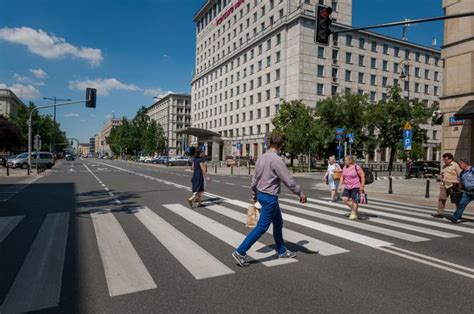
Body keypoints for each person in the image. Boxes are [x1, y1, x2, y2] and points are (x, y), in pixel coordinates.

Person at [232, 132, 307, 267]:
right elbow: (288, 181)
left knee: (278, 222)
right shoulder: (276, 160)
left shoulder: (262, 157)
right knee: (262, 227)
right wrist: (300, 193)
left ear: (269, 143)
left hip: (261, 193)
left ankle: (282, 250)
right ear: (280, 145)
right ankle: (240, 251)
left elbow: (255, 177)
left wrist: (254, 191)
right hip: (269, 197)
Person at [432, 153, 461, 218]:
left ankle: (459, 214)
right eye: (444, 159)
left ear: (451, 159)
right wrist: (441, 182)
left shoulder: (455, 165)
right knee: (441, 199)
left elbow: (460, 175)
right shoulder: (444, 166)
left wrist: (458, 183)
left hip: (453, 186)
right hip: (444, 185)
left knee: (456, 200)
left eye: (446, 159)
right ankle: (440, 213)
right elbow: (442, 175)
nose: (445, 161)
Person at [446, 159, 474, 223]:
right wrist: (458, 188)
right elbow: (460, 182)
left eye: (460, 164)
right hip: (467, 192)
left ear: (464, 164)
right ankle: (455, 217)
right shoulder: (462, 173)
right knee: (461, 204)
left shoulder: (472, 170)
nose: (459, 165)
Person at [338, 155, 365, 220]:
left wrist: (362, 185)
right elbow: (342, 176)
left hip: (355, 186)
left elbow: (362, 175)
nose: (344, 162)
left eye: (346, 160)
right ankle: (354, 210)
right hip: (347, 186)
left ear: (350, 160)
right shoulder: (344, 167)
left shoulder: (356, 167)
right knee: (344, 199)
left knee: (354, 200)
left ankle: (354, 213)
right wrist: (340, 185)